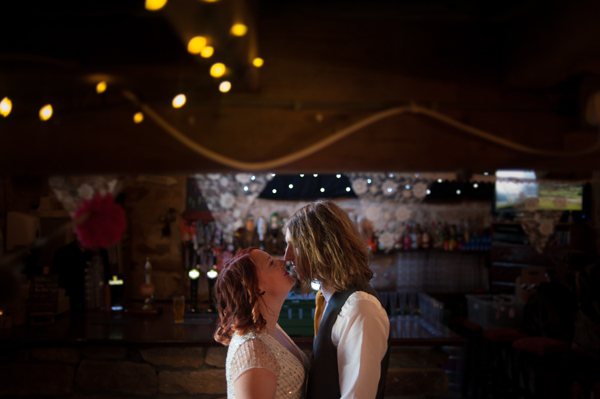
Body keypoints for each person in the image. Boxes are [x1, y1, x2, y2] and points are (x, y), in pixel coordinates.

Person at [284, 200, 391, 399]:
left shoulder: (359, 307)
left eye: (294, 246)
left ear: (322, 247)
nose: (287, 256)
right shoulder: (327, 298)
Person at [214, 247, 308, 399]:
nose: (282, 261)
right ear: (256, 286)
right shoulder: (253, 352)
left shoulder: (270, 327)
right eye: (271, 263)